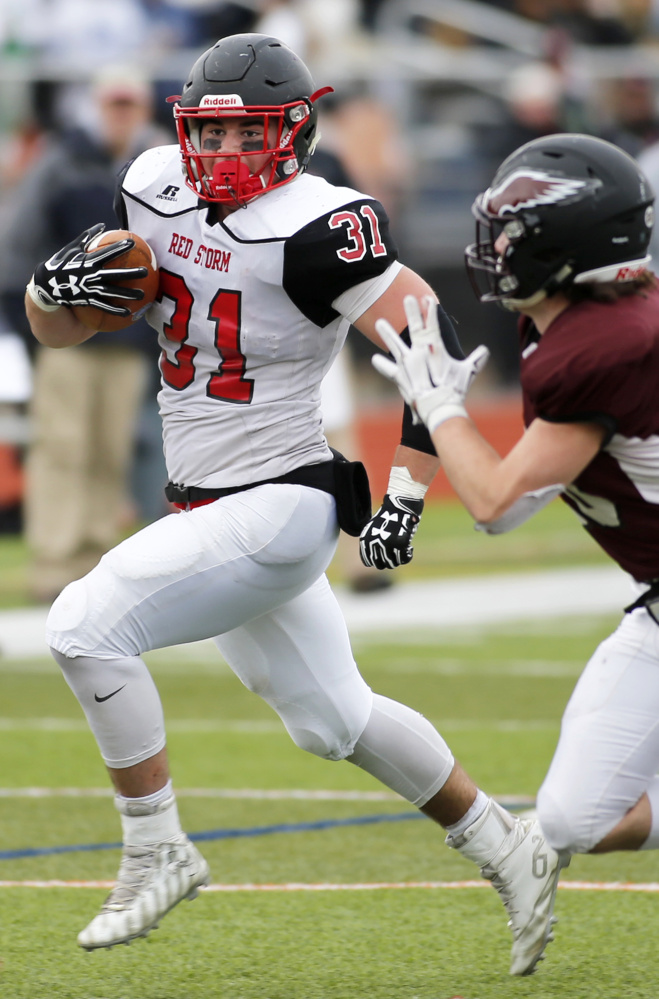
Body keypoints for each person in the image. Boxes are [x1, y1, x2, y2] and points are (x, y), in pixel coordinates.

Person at [24, 34, 562, 975]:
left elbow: (429, 342)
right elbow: (62, 329)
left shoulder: (319, 224)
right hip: (205, 505)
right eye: (211, 133)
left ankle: (156, 847)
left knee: (81, 626)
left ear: (295, 132)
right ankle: (507, 843)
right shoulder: (150, 183)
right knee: (332, 721)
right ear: (185, 130)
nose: (226, 152)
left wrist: (405, 493)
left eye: (250, 133)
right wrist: (46, 291)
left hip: (280, 502)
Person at [372, 132, 659, 964]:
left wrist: (439, 408)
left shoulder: (604, 345)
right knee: (572, 817)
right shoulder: (577, 328)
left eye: (510, 234)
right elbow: (523, 489)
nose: (494, 250)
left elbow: (496, 504)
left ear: (566, 245)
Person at [0, 69, 168, 601]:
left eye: (129, 104)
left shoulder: (155, 168)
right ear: (97, 106)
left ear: (142, 109)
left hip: (127, 340)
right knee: (62, 445)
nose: (121, 114)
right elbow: (19, 242)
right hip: (66, 333)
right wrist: (32, 320)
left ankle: (93, 562)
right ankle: (54, 561)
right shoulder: (62, 161)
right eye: (114, 104)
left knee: (111, 449)